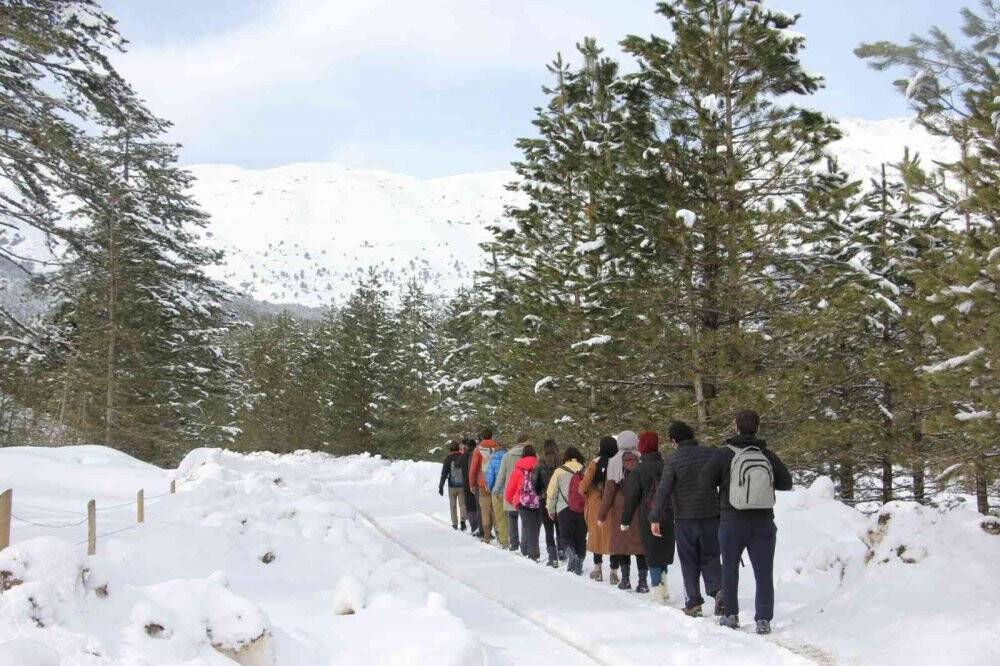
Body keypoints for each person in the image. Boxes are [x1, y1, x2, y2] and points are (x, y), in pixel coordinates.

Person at [699, 409, 793, 635]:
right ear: (758, 427)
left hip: (732, 520)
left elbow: (704, 482)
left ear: (736, 426)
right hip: (763, 521)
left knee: (729, 568)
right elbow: (786, 483)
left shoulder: (724, 454)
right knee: (764, 571)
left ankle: (731, 615)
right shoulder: (767, 454)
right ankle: (763, 620)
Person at [650, 420, 722, 617]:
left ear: (674, 440)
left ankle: (693, 602)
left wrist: (655, 517)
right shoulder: (711, 454)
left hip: (684, 518)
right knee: (711, 556)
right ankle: (719, 592)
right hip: (710, 515)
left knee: (689, 560)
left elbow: (663, 491)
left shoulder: (672, 460)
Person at [621, 430, 674, 601]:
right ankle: (665, 587)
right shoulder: (668, 464)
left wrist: (625, 521)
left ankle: (657, 589)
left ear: (641, 447)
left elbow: (632, 498)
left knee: (652, 553)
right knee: (665, 550)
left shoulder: (638, 470)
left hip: (647, 516)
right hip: (668, 513)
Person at [598, 430, 646, 591]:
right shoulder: (641, 459)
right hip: (640, 508)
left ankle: (625, 579)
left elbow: (609, 491)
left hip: (620, 509)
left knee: (623, 546)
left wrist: (601, 514)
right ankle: (643, 582)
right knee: (640, 547)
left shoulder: (614, 462)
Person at [579, 435, 617, 582]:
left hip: (595, 505)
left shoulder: (593, 463)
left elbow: (582, 487)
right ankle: (614, 572)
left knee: (596, 535)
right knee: (612, 537)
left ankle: (598, 570)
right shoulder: (617, 463)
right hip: (612, 505)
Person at [546, 446, 587, 574]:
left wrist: (550, 509)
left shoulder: (559, 471)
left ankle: (571, 554)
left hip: (564, 508)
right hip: (582, 508)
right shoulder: (585, 470)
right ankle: (579, 563)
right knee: (581, 537)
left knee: (566, 536)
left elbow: (552, 492)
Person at [493, 433, 529, 553]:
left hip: (511, 491)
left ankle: (514, 544)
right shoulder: (531, 455)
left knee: (512, 518)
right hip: (526, 491)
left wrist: (496, 489)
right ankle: (525, 545)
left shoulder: (508, 455)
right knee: (525, 519)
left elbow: (501, 475)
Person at [505, 444, 542, 561]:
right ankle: (528, 550)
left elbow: (510, 489)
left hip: (523, 501)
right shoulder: (541, 466)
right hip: (539, 500)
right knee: (535, 527)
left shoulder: (518, 468)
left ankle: (531, 554)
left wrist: (512, 500)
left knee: (528, 526)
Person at [533, 439, 564, 567]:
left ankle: (552, 557)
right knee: (559, 527)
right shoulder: (561, 462)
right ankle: (561, 550)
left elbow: (535, 484)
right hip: (560, 499)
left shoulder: (540, 463)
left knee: (548, 529)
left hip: (544, 499)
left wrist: (540, 492)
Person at [468, 427, 501, 545]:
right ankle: (500, 535)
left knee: (485, 510)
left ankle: (487, 535)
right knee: (496, 509)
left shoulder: (478, 449)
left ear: (481, 436)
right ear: (491, 435)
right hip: (497, 482)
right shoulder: (498, 447)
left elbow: (473, 468)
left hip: (483, 483)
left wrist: (471, 483)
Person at [485, 440, 509, 548]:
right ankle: (513, 538)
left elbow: (490, 476)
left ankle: (504, 541)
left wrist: (490, 488)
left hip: (497, 491)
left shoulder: (493, 460)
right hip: (509, 491)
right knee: (510, 517)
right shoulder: (509, 458)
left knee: (500, 517)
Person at [438, 441, 467, 530]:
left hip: (452, 485)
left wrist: (441, 486)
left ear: (450, 449)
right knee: (462, 504)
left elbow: (444, 473)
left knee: (453, 505)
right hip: (462, 485)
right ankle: (463, 520)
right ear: (458, 448)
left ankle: (454, 523)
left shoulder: (448, 458)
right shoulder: (462, 456)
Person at [458, 438, 481, 537]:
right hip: (477, 483)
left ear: (467, 446)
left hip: (466, 484)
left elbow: (457, 464)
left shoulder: (464, 455)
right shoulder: (478, 454)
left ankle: (474, 527)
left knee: (470, 506)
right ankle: (480, 526)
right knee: (478, 505)